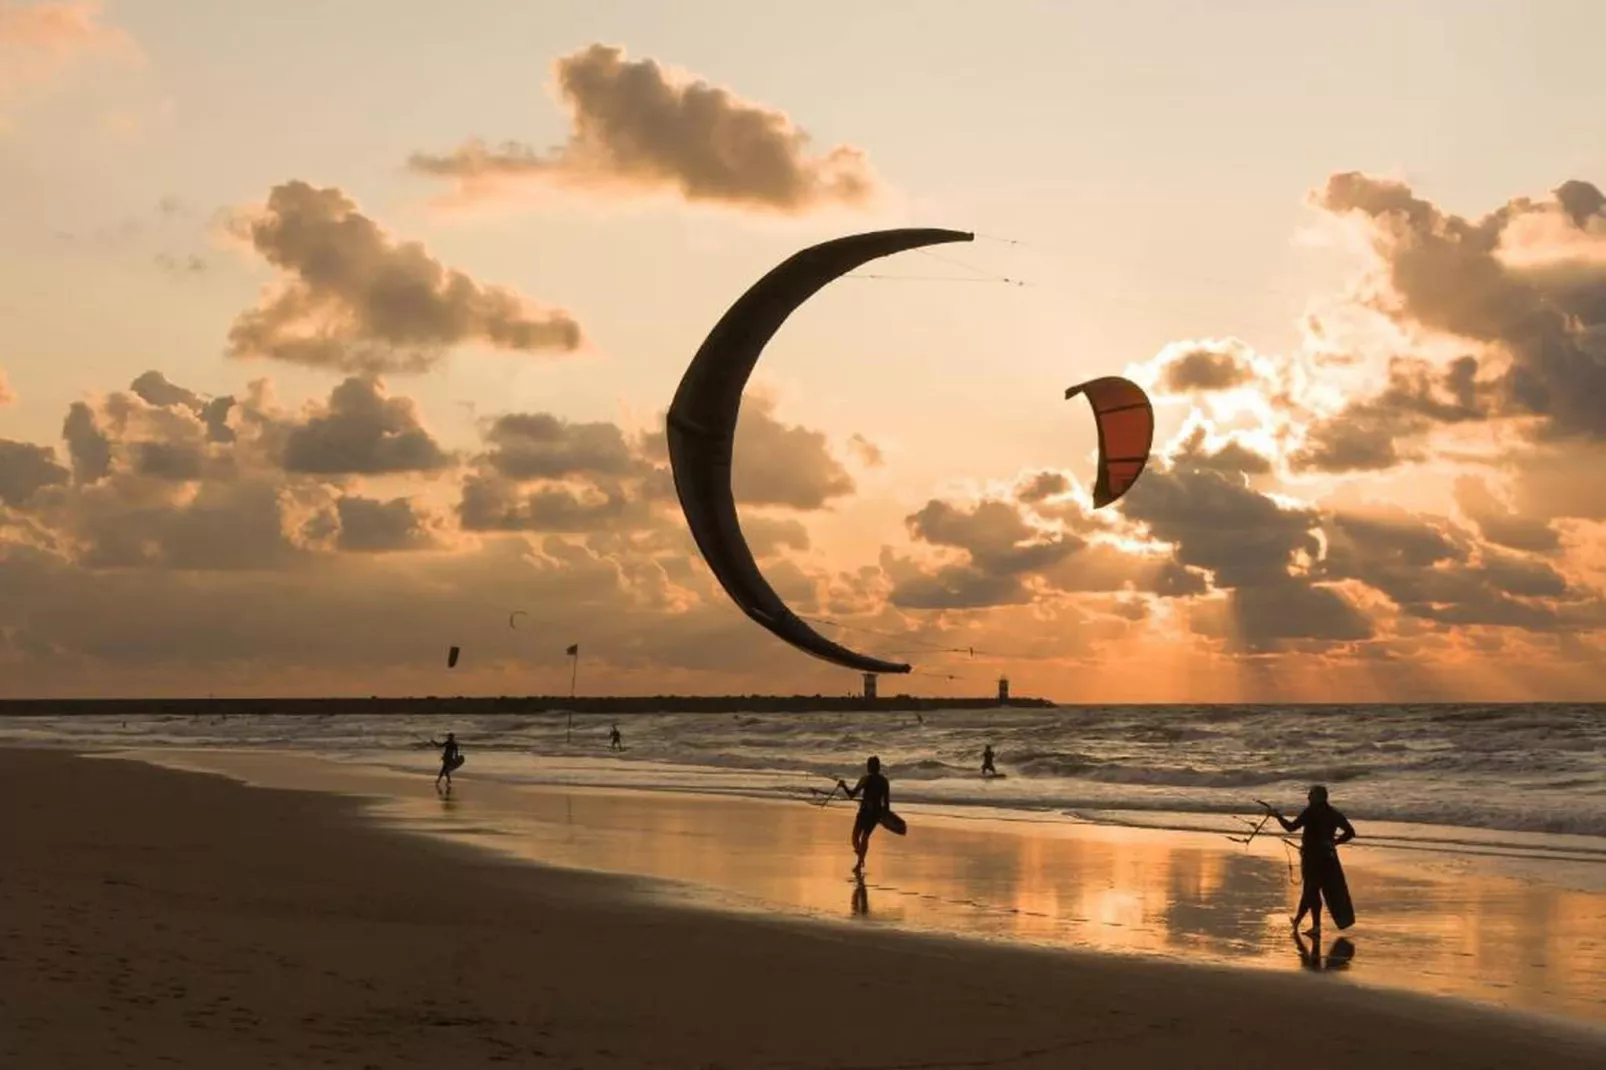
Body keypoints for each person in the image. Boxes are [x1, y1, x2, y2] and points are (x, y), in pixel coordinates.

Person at [1262, 785, 1355, 939]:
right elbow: (1350, 832)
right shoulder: (1333, 813)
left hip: (1312, 857)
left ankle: (1314, 926)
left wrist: (1277, 816)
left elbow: (1291, 827)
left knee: (1311, 891)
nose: (1308, 797)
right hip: (1328, 858)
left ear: (1319, 797)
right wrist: (1335, 842)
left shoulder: (1310, 812)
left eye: (1311, 794)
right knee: (1312, 891)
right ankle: (1300, 921)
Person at [837, 756, 890, 878]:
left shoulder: (865, 779)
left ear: (869, 767)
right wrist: (885, 817)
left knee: (855, 836)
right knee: (865, 837)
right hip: (876, 813)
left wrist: (843, 785)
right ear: (879, 767)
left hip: (865, 812)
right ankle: (860, 861)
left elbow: (851, 795)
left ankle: (860, 858)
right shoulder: (884, 781)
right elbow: (886, 803)